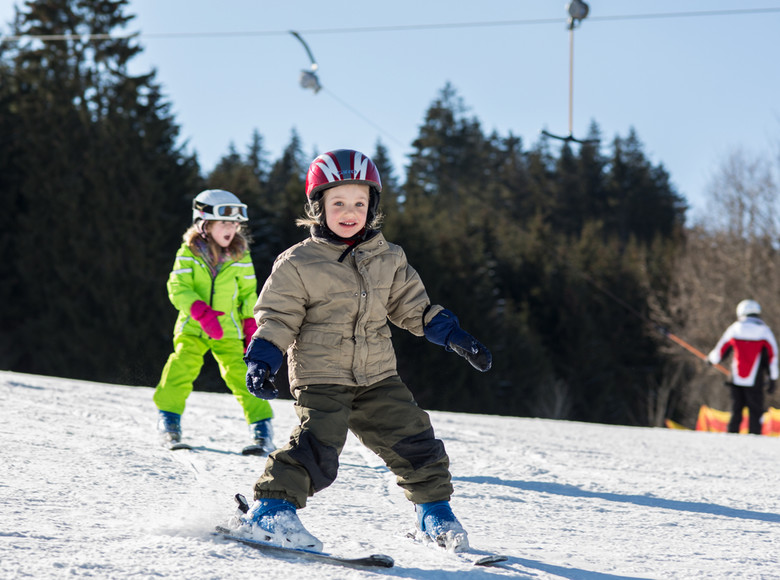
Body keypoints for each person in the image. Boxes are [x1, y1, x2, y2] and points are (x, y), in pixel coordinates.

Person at [228, 149, 492, 553]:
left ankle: (434, 513)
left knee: (415, 437)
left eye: (359, 202)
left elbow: (413, 306)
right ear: (318, 207)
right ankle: (272, 511)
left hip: (378, 376)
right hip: (321, 377)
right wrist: (263, 360)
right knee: (319, 442)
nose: (349, 211)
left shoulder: (389, 257)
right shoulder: (298, 262)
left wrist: (453, 335)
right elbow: (277, 318)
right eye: (338, 202)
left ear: (372, 207)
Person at [153, 189, 275, 453]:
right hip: (194, 327)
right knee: (181, 367)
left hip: (228, 330)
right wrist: (201, 312)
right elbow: (178, 286)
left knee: (243, 376)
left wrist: (250, 325)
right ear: (205, 223)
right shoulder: (189, 252)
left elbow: (247, 293)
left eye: (234, 223)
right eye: (224, 222)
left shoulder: (241, 255)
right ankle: (169, 422)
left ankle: (262, 429)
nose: (231, 228)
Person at [707, 299, 778, 434]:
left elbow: (720, 349)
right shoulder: (765, 331)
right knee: (755, 411)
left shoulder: (735, 328)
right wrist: (773, 378)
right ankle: (755, 437)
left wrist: (710, 360)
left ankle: (731, 436)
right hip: (756, 380)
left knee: (736, 410)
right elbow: (772, 357)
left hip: (736, 378)